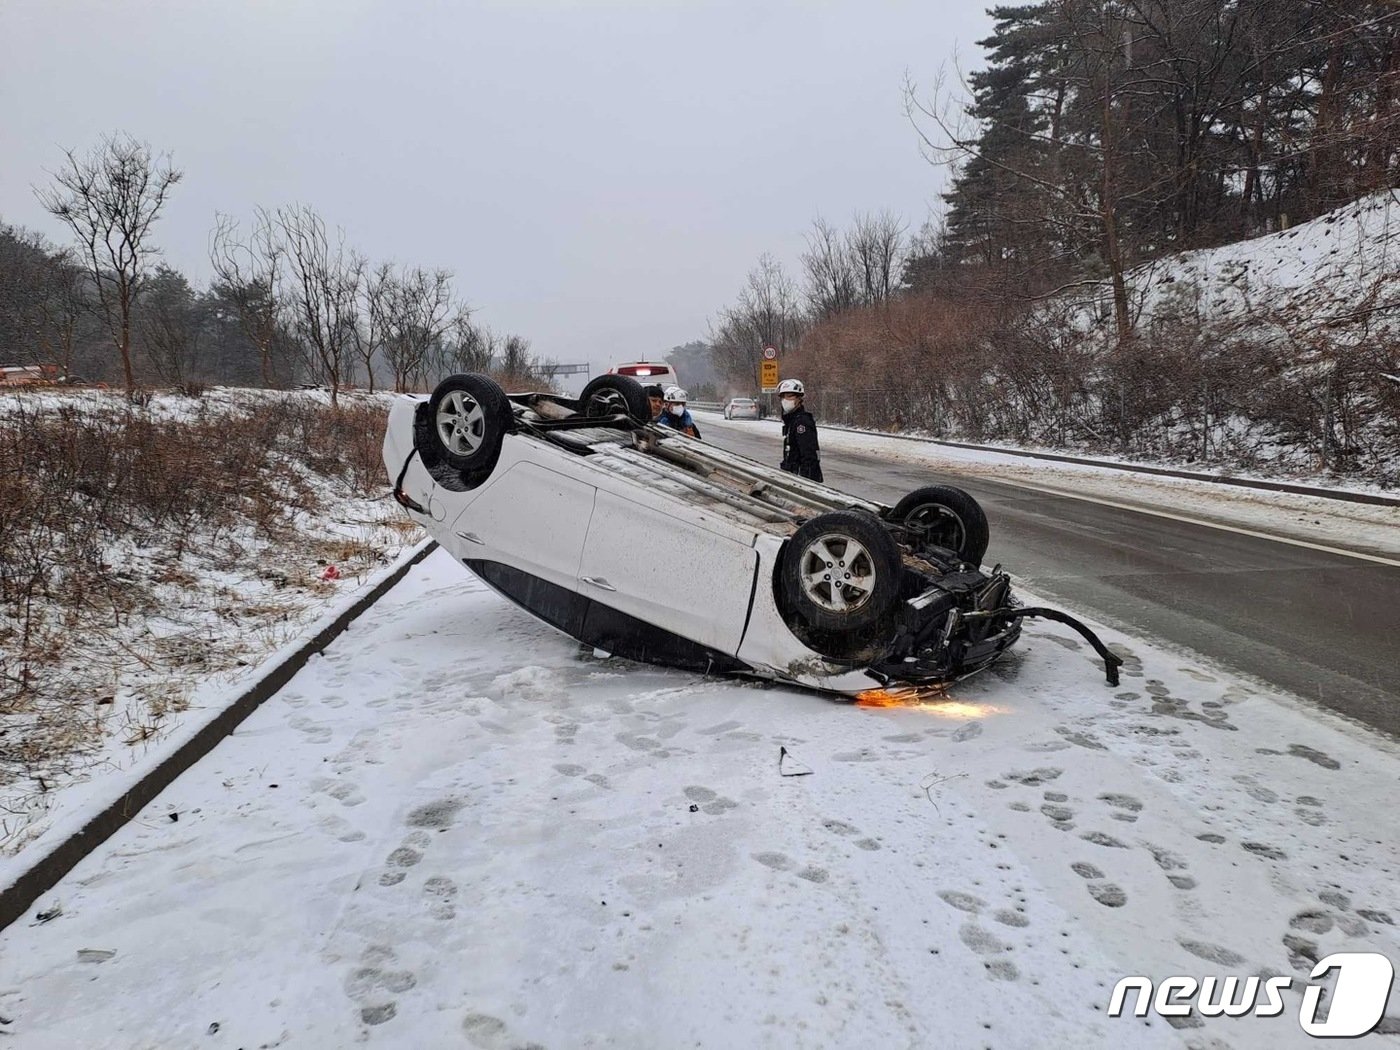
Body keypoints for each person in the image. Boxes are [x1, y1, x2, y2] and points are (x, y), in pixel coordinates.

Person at [777, 378, 822, 482]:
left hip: (801, 479)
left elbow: (809, 455)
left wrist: (806, 480)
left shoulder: (802, 422)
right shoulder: (791, 421)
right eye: (783, 397)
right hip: (791, 475)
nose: (786, 400)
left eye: (790, 396)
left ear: (799, 398)